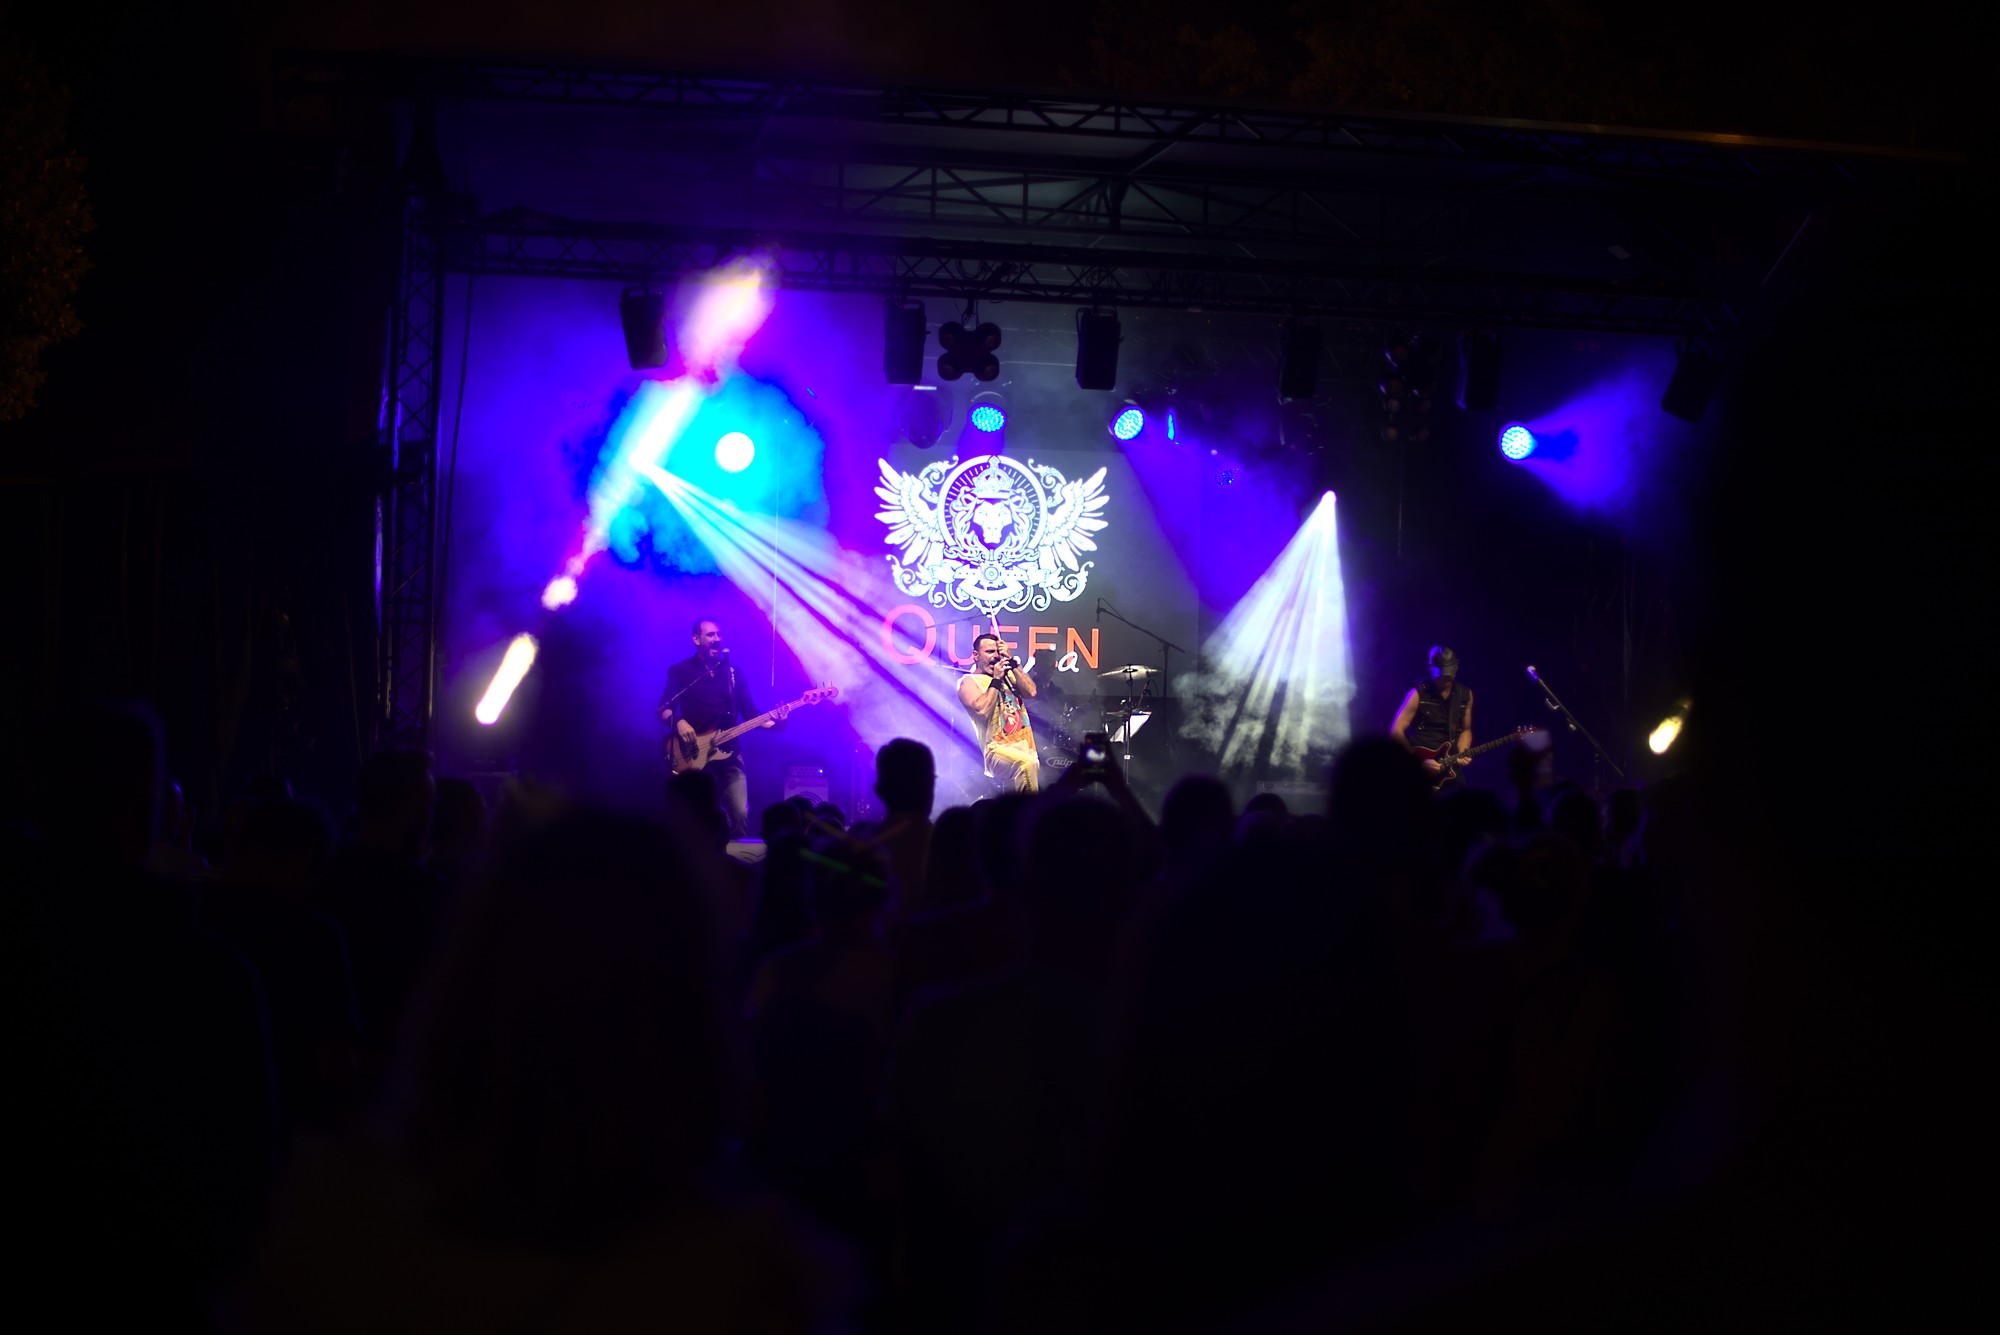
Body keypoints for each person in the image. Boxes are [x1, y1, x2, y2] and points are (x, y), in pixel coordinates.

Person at [659, 618, 789, 839]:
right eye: (710, 635)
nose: (717, 639)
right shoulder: (681, 671)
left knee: (739, 813)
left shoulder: (733, 673)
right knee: (697, 818)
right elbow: (664, 709)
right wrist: (679, 722)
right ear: (696, 639)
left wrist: (779, 722)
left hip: (729, 753)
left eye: (719, 634)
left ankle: (734, 858)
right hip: (693, 754)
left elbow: (751, 714)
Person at [957, 632, 1039, 793]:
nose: (995, 656)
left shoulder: (1009, 676)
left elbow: (1031, 692)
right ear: (976, 655)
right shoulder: (968, 682)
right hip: (997, 750)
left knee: (1027, 768)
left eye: (998, 652)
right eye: (989, 652)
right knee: (1026, 764)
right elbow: (982, 711)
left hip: (1025, 748)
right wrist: (996, 679)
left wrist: (1012, 662)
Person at [1390, 645, 1476, 786]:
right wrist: (1419, 761)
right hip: (1420, 770)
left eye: (1449, 673)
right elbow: (1396, 731)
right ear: (1431, 668)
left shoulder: (1465, 695)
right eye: (1442, 674)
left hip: (1450, 770)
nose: (1446, 678)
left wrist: (1463, 751)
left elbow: (1466, 730)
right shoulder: (1417, 694)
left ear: (1457, 665)